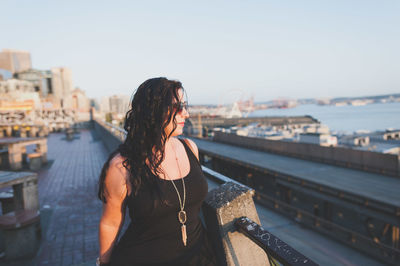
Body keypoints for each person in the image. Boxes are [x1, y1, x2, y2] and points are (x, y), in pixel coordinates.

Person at [97, 77, 218, 266]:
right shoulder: (122, 166)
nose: (185, 114)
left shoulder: (190, 148)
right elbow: (110, 223)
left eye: (185, 106)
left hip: (198, 257)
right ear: (153, 111)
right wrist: (103, 263)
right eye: (177, 107)